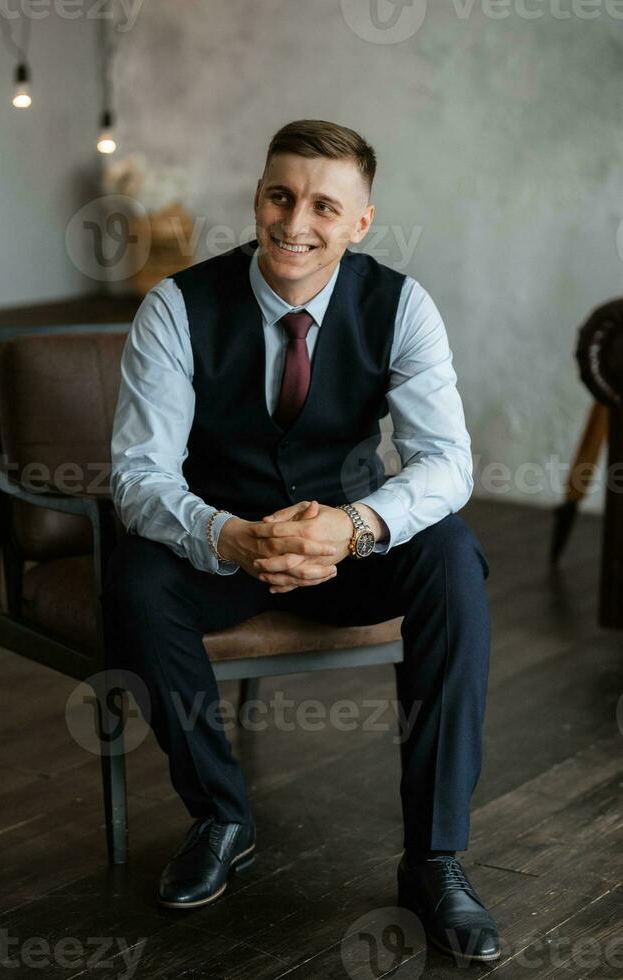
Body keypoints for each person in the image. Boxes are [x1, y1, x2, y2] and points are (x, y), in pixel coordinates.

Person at [102, 118, 500, 965]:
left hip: (349, 553)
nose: (295, 222)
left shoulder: (401, 306)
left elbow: (448, 462)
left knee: (454, 555)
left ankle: (435, 857)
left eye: (325, 205)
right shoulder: (176, 306)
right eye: (280, 196)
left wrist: (353, 527)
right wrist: (230, 535)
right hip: (221, 551)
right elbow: (139, 477)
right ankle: (222, 817)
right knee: (134, 576)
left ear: (360, 223)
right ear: (256, 198)